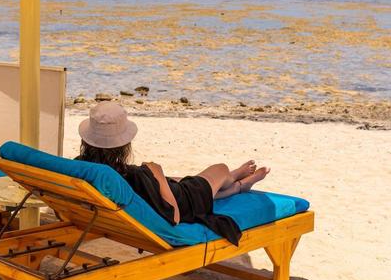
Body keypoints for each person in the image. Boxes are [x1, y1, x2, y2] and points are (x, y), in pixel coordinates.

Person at [76, 102, 269, 245]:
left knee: (183, 181)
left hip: (151, 197)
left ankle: (239, 186)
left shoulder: (83, 169)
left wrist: (156, 177)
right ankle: (234, 177)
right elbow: (174, 217)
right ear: (123, 145)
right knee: (220, 169)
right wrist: (157, 174)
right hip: (185, 201)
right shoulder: (133, 175)